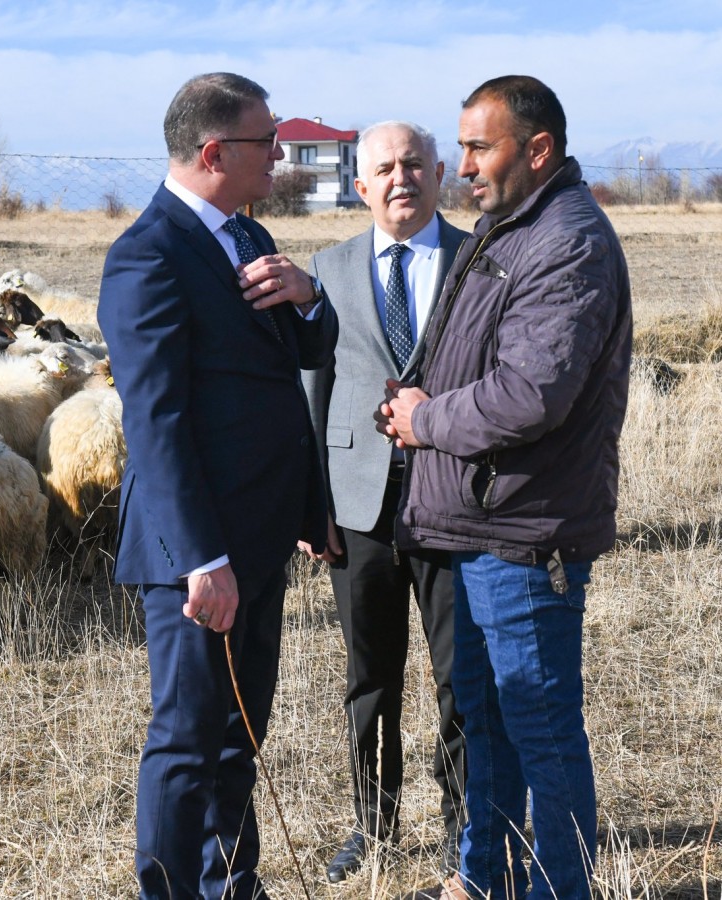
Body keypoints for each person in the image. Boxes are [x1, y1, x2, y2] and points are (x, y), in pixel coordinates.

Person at [379, 75, 631, 900]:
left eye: (479, 147)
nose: (463, 166)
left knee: (542, 734)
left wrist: (426, 421)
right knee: (487, 726)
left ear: (538, 150)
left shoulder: (568, 240)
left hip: (527, 538)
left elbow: (531, 393)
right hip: (481, 526)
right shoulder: (509, 228)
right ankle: (483, 878)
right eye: (461, 147)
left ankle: (559, 889)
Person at [97, 72, 339, 900]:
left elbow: (298, 359)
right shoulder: (147, 255)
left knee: (241, 730)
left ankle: (230, 884)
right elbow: (156, 423)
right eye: (264, 141)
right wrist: (203, 558)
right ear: (212, 152)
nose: (278, 153)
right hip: (196, 550)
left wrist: (310, 296)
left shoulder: (247, 234)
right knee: (188, 734)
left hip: (262, 536)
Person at [298, 120, 468, 882]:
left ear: (439, 174)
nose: (400, 178)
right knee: (370, 678)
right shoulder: (326, 269)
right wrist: (312, 502)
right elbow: (313, 387)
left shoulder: (479, 261)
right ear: (360, 186)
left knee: (463, 678)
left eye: (413, 164)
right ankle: (374, 826)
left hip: (457, 504)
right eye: (384, 169)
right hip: (356, 508)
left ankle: (468, 828)